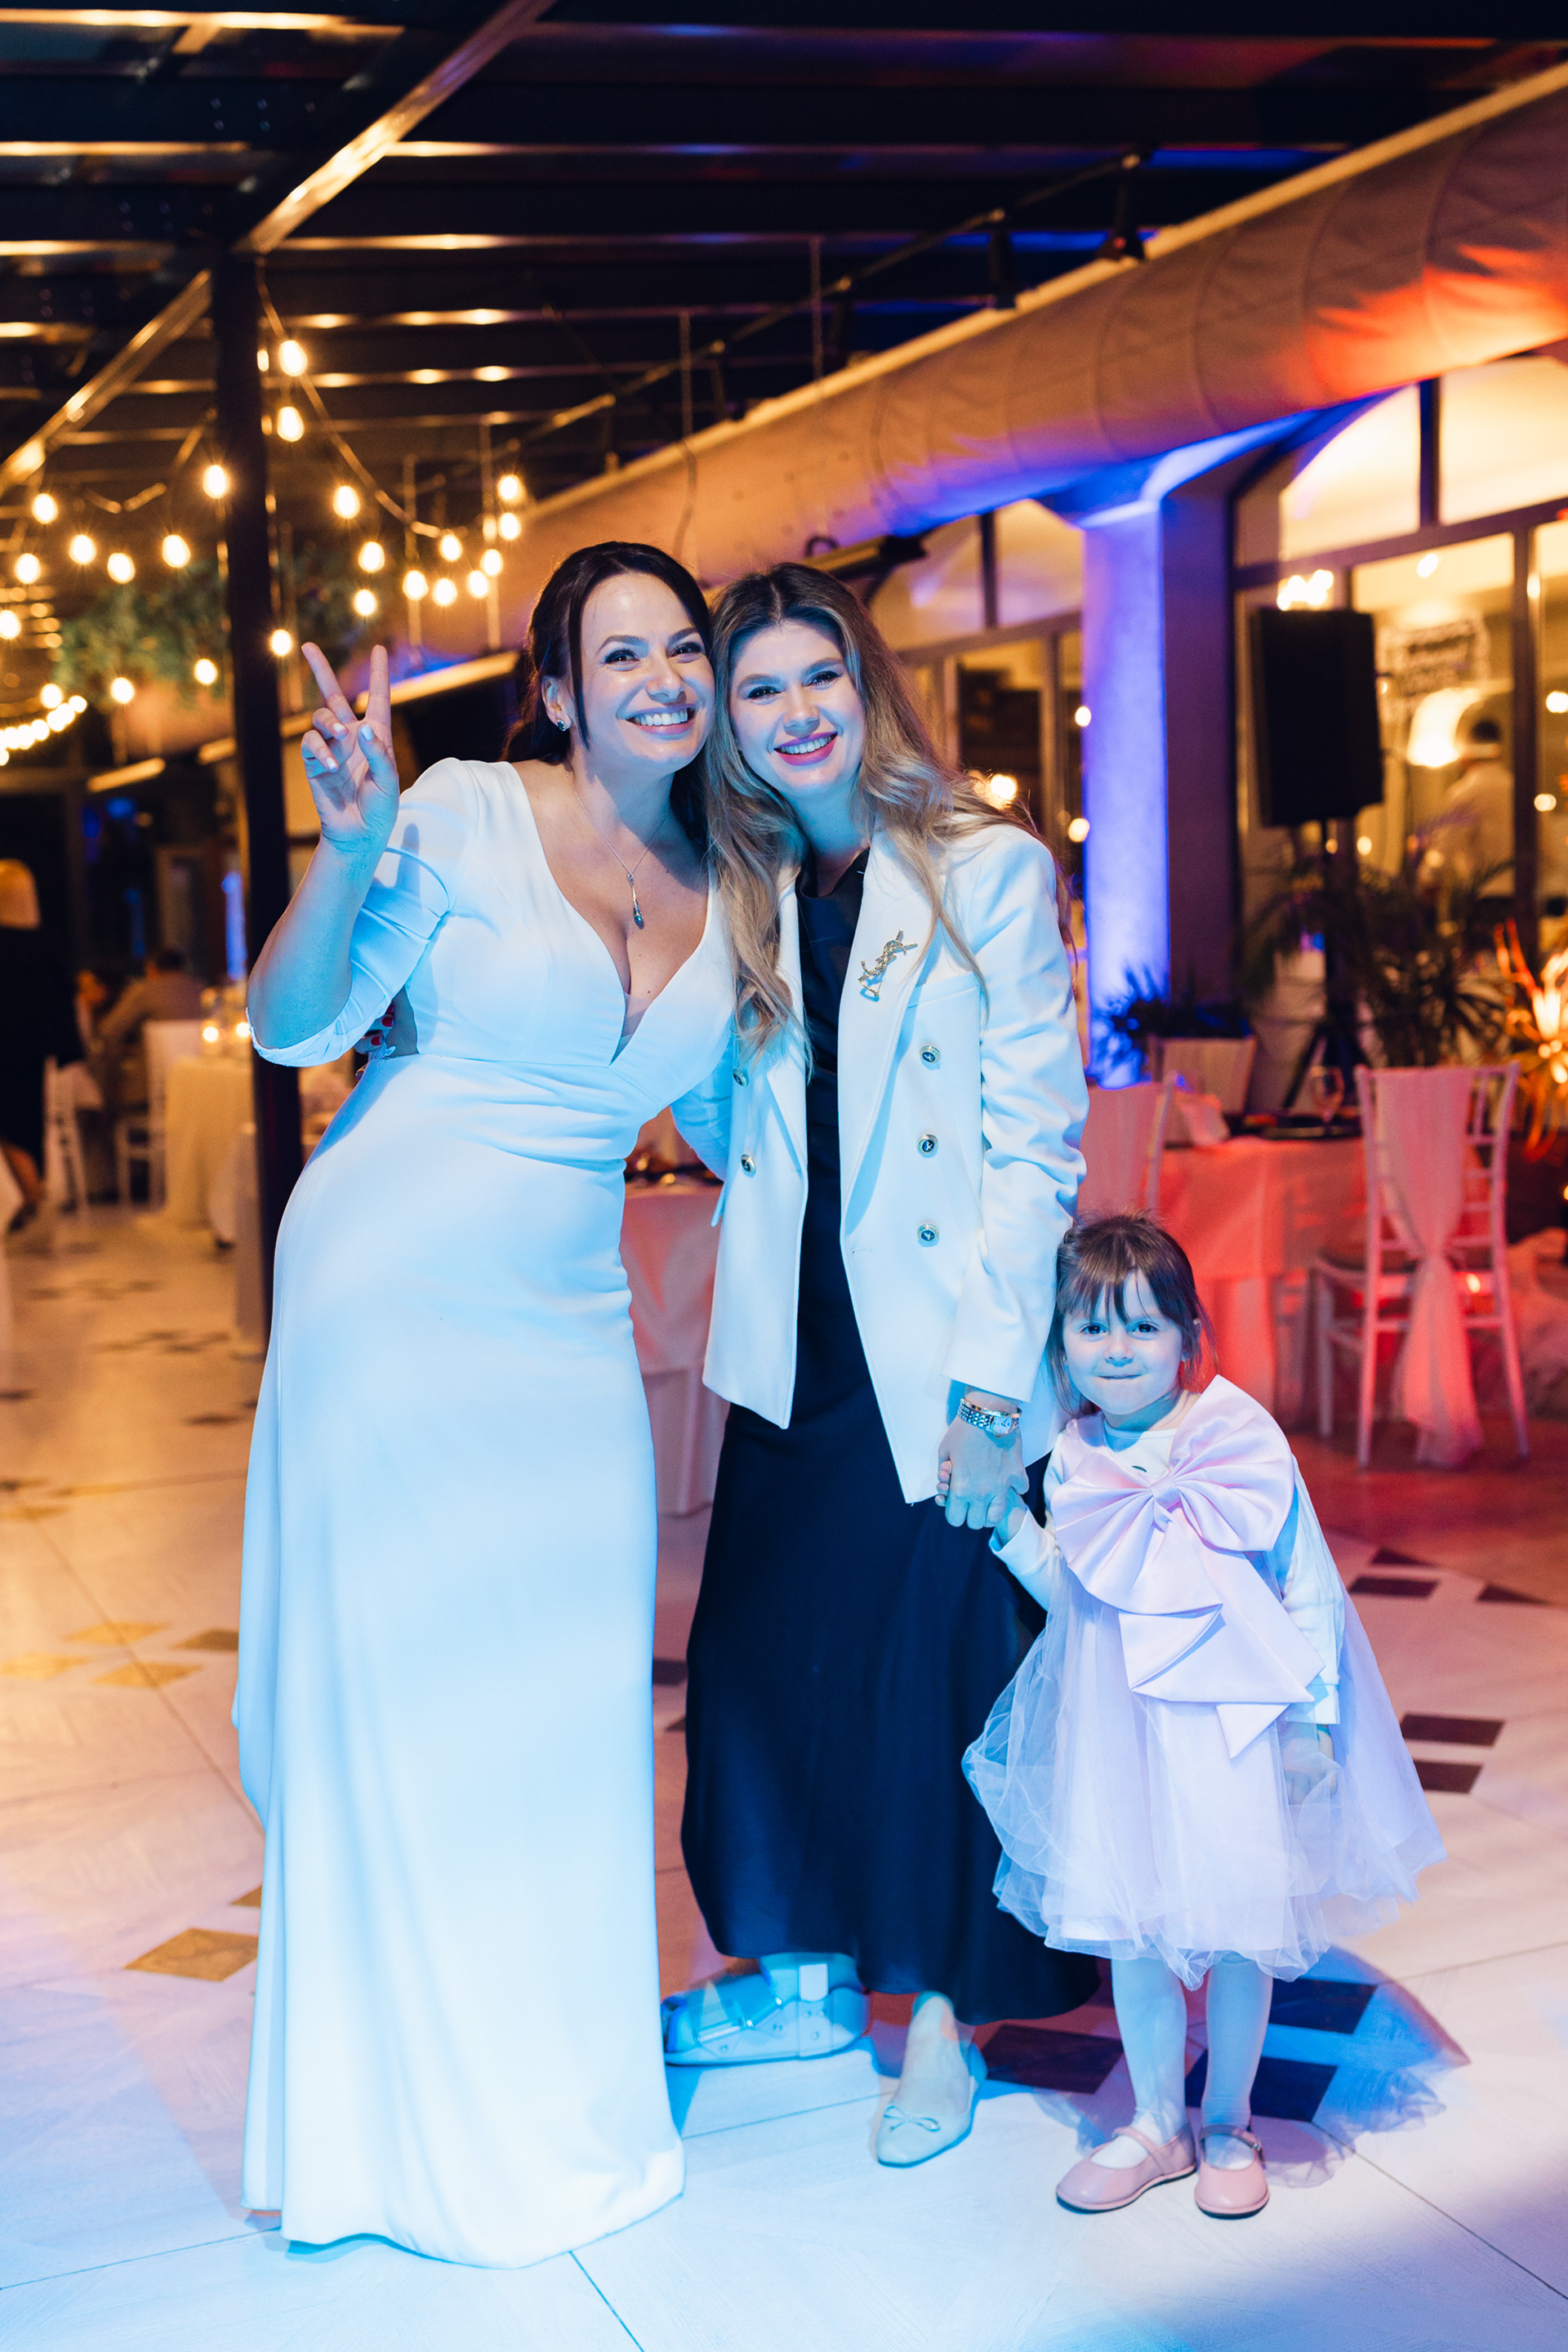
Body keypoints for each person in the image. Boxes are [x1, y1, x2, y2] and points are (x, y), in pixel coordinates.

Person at [236, 542, 735, 2266]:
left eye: (683, 648)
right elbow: (294, 1025)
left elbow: (744, 1125)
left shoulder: (737, 878)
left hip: (568, 1324)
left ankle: (548, 2095)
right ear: (561, 691)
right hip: (391, 1295)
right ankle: (398, 2139)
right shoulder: (457, 808)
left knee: (566, 1705)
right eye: (622, 655)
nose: (662, 678)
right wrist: (346, 845)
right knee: (415, 1707)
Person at [666, 564, 1096, 2165]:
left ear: (867, 686)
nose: (794, 714)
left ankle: (942, 2023)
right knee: (766, 1668)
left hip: (933, 1350)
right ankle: (804, 1974)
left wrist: (992, 1387)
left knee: (935, 1687)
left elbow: (1036, 1149)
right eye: (759, 690)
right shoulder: (747, 886)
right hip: (797, 1347)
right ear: (730, 721)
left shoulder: (985, 866)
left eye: (817, 678)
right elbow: (719, 1121)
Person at [964, 1213, 1443, 2219]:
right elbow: (1080, 1596)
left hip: (1230, 1727)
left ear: (1188, 1334)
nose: (1117, 1349)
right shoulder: (1073, 1455)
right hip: (1118, 1730)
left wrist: (1312, 1721)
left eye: (1144, 1326)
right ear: (1061, 1346)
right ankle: (1156, 2122)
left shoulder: (1237, 1435)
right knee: (1132, 1930)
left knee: (1237, 1927)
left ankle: (1229, 2118)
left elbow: (1303, 1579)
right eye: (1092, 1328)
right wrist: (1011, 1524)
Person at [0, 858, 83, 1206]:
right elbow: (65, 1004)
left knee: (9, 1126)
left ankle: (31, 1196)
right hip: (35, 1052)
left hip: (6, 1049)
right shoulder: (48, 947)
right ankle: (35, 1192)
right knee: (27, 1123)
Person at [95, 944, 205, 1114]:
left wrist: (115, 1075)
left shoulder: (144, 990)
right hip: (199, 1084)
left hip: (150, 1089)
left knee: (103, 1083)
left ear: (152, 968)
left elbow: (109, 1032)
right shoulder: (201, 989)